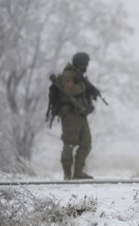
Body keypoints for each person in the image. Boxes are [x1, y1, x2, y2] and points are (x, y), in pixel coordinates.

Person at [58, 52, 95, 180]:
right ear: (81, 63)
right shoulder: (68, 74)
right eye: (86, 64)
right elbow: (69, 90)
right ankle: (67, 174)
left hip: (80, 114)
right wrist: (84, 86)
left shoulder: (79, 76)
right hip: (71, 114)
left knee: (86, 143)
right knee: (69, 143)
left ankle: (78, 172)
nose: (87, 66)